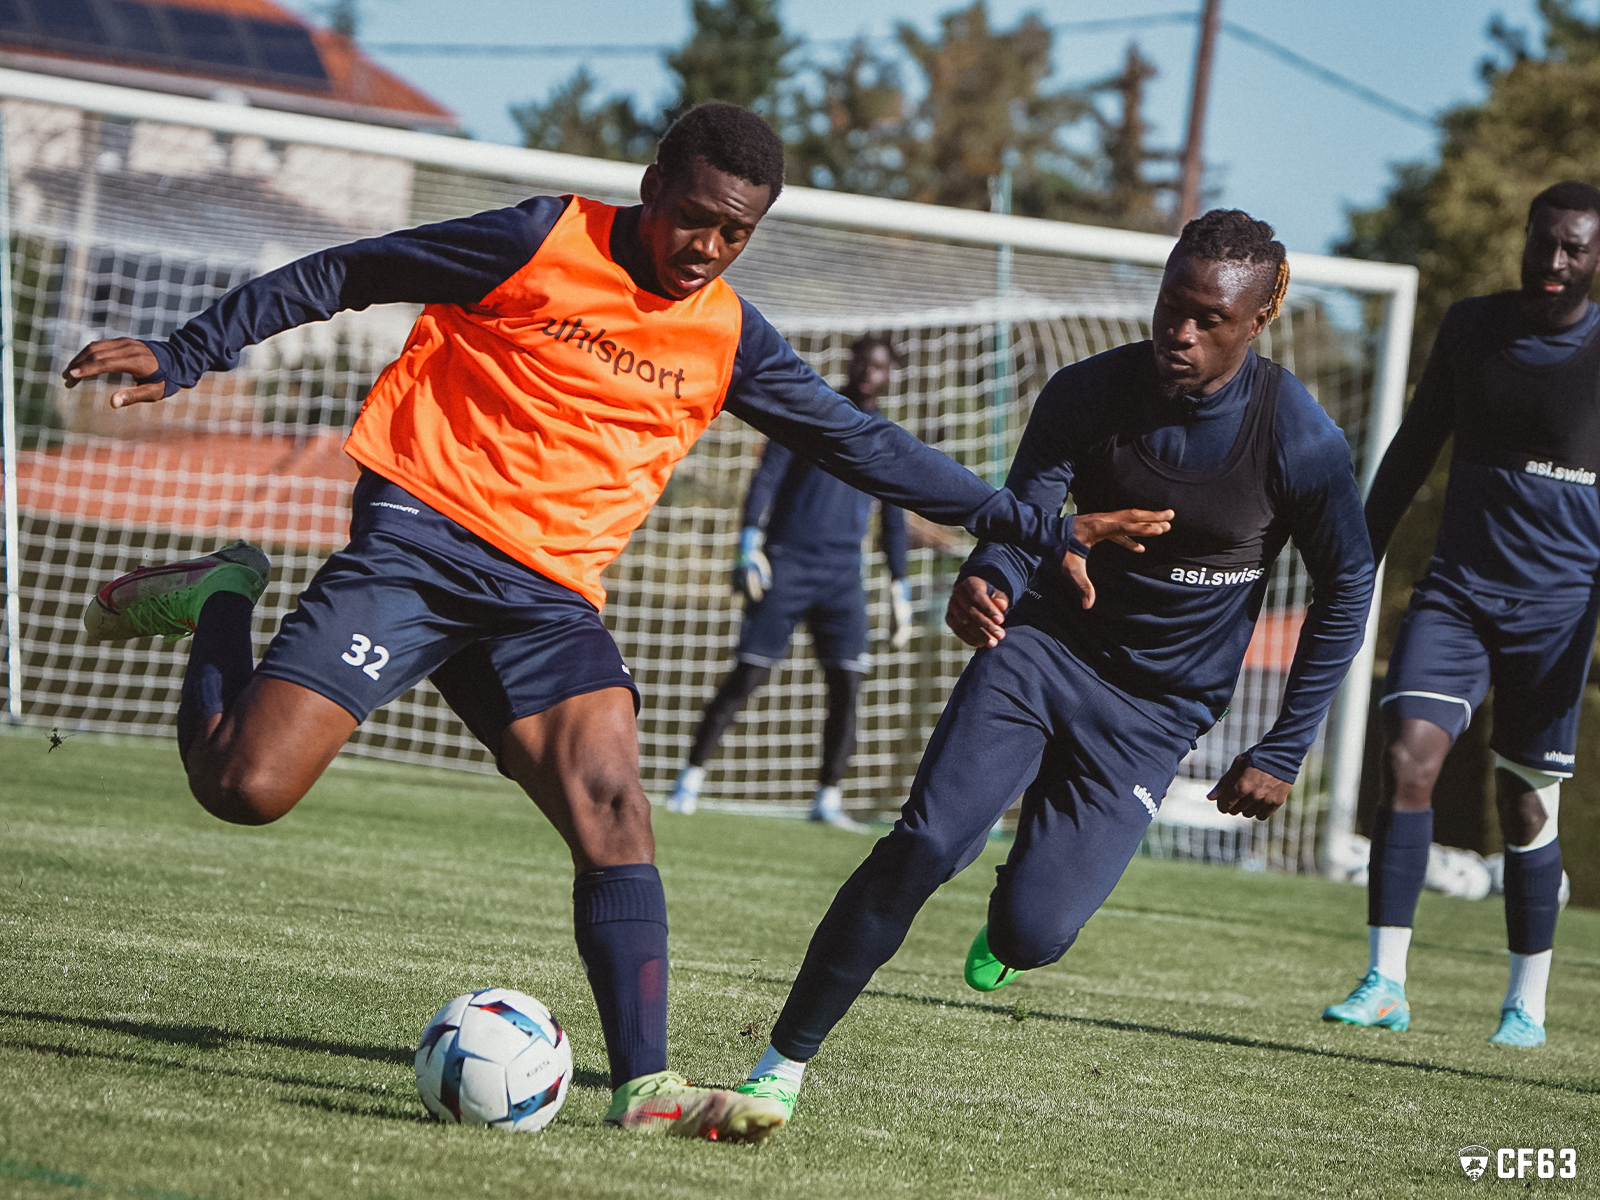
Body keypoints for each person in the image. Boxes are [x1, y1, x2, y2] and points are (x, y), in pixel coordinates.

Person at [64, 103, 1080, 1143]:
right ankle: (226, 593)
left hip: (546, 599)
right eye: (695, 218)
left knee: (614, 806)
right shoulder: (538, 241)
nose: (708, 248)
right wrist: (192, 350)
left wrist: (1024, 525)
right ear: (651, 188)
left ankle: (646, 1088)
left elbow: (858, 443)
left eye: (736, 233)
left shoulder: (729, 334)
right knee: (245, 788)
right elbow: (349, 270)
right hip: (419, 545)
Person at [730, 210, 1375, 1124]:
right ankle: (781, 1062)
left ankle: (1014, 916)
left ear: (1259, 319)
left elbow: (1348, 590)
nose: (1178, 333)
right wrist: (987, 578)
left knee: (1036, 935)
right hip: (1042, 652)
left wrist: (1285, 744)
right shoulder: (1086, 392)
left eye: (1209, 319)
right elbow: (1022, 513)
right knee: (924, 843)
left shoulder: (1298, 441)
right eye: (1169, 306)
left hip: (1156, 713)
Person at [1321, 181, 1600, 1049]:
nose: (1555, 262)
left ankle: (1526, 1002)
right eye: (1544, 241)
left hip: (1558, 611)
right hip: (1457, 594)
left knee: (1524, 807)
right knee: (1407, 757)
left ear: (1598, 258)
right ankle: (1385, 982)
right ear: (1524, 237)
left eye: (1576, 249)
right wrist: (1354, 554)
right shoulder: (1473, 326)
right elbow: (1414, 443)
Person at [666, 335, 910, 828]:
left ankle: (827, 798)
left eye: (880, 366)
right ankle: (687, 780)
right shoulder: (813, 411)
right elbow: (768, 475)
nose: (869, 372)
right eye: (863, 362)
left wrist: (898, 584)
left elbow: (895, 515)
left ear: (890, 375)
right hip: (787, 564)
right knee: (748, 674)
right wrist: (749, 539)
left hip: (842, 576)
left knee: (847, 683)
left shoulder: (885, 436)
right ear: (851, 363)